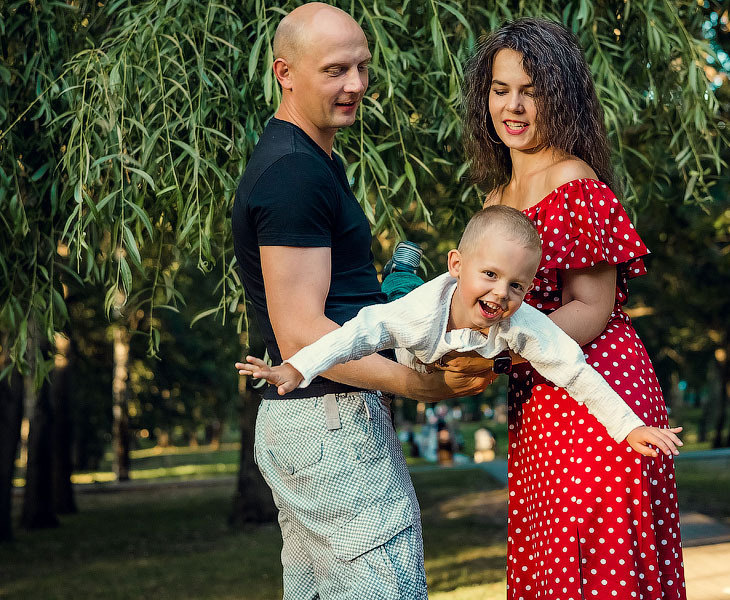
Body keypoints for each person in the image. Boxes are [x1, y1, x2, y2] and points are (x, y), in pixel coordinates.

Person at [229, 4, 491, 598]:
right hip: (328, 422)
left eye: (362, 68)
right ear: (284, 72)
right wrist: (424, 385)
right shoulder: (293, 172)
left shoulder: (310, 160)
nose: (355, 85)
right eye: (334, 71)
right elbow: (299, 334)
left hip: (310, 419)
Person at [458, 17, 688, 599]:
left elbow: (590, 308)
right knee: (555, 568)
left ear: (561, 97)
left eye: (532, 91)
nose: (514, 106)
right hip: (539, 401)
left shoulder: (573, 181)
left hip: (597, 392)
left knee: (598, 566)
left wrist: (498, 357)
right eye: (501, 89)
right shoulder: (495, 200)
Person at [236, 206, 683, 460]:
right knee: (391, 298)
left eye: (516, 285)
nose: (500, 293)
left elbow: (575, 371)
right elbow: (352, 337)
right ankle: (403, 267)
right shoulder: (416, 317)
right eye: (488, 274)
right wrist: (297, 367)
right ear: (457, 266)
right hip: (409, 335)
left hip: (445, 350)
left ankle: (408, 273)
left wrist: (629, 428)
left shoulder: (522, 322)